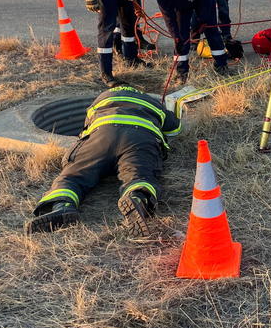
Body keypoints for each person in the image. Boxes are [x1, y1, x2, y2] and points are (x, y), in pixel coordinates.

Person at [25, 84, 181, 236]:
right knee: (139, 174)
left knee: (73, 175)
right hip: (139, 139)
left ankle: (62, 206)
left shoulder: (102, 98)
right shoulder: (152, 102)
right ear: (138, 92)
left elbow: (88, 123)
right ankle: (137, 198)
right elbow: (174, 129)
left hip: (101, 135)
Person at [155, 0, 231, 85]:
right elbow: (169, 18)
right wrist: (176, 36)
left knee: (211, 31)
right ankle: (181, 72)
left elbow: (206, 1)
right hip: (181, 6)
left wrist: (203, 21)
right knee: (181, 37)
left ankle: (221, 65)